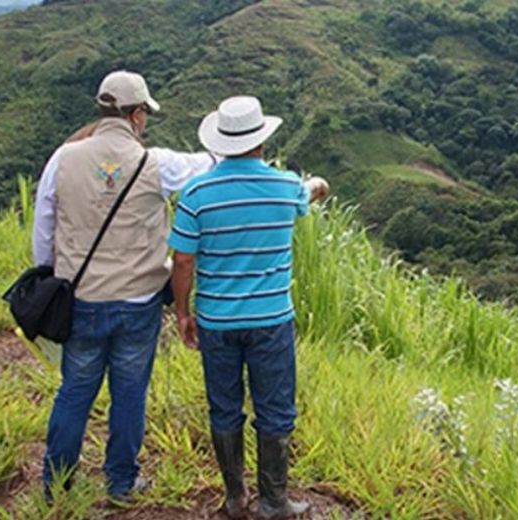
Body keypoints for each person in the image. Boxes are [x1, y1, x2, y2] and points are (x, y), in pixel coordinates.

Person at [32, 70, 217, 504]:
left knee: (75, 392)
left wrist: (51, 278)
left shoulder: (62, 159)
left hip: (81, 299)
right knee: (129, 393)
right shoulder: (158, 163)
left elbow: (44, 230)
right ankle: (120, 481)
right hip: (139, 300)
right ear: (136, 115)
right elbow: (208, 166)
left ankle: (55, 485)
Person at [168, 95, 329, 519]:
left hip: (217, 320)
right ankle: (274, 503)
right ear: (261, 142)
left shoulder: (196, 193)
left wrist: (183, 313)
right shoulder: (284, 186)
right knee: (275, 408)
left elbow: (183, 260)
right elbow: (310, 192)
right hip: (271, 321)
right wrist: (317, 185)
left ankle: (235, 498)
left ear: (220, 143)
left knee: (224, 407)